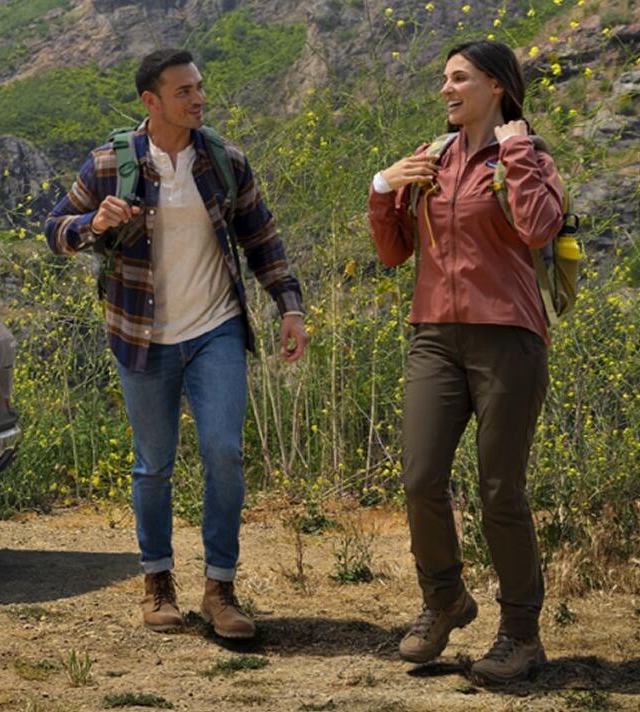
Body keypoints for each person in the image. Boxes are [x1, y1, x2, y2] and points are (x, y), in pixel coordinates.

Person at [43, 48, 308, 640]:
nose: (198, 99)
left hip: (216, 329)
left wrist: (288, 307)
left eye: (199, 87)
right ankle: (157, 581)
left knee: (224, 452)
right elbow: (54, 230)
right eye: (184, 91)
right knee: (153, 464)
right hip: (142, 335)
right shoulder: (109, 165)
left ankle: (220, 589)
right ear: (151, 100)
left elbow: (262, 237)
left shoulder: (223, 160)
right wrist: (93, 224)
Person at [367, 39, 564, 682]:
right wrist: (383, 188)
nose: (446, 89)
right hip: (434, 335)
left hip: (507, 336)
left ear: (496, 86)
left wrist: (515, 151)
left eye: (459, 78)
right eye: (445, 79)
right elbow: (395, 253)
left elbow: (538, 228)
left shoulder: (529, 155)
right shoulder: (433, 158)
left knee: (500, 490)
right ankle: (445, 599)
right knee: (420, 477)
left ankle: (521, 636)